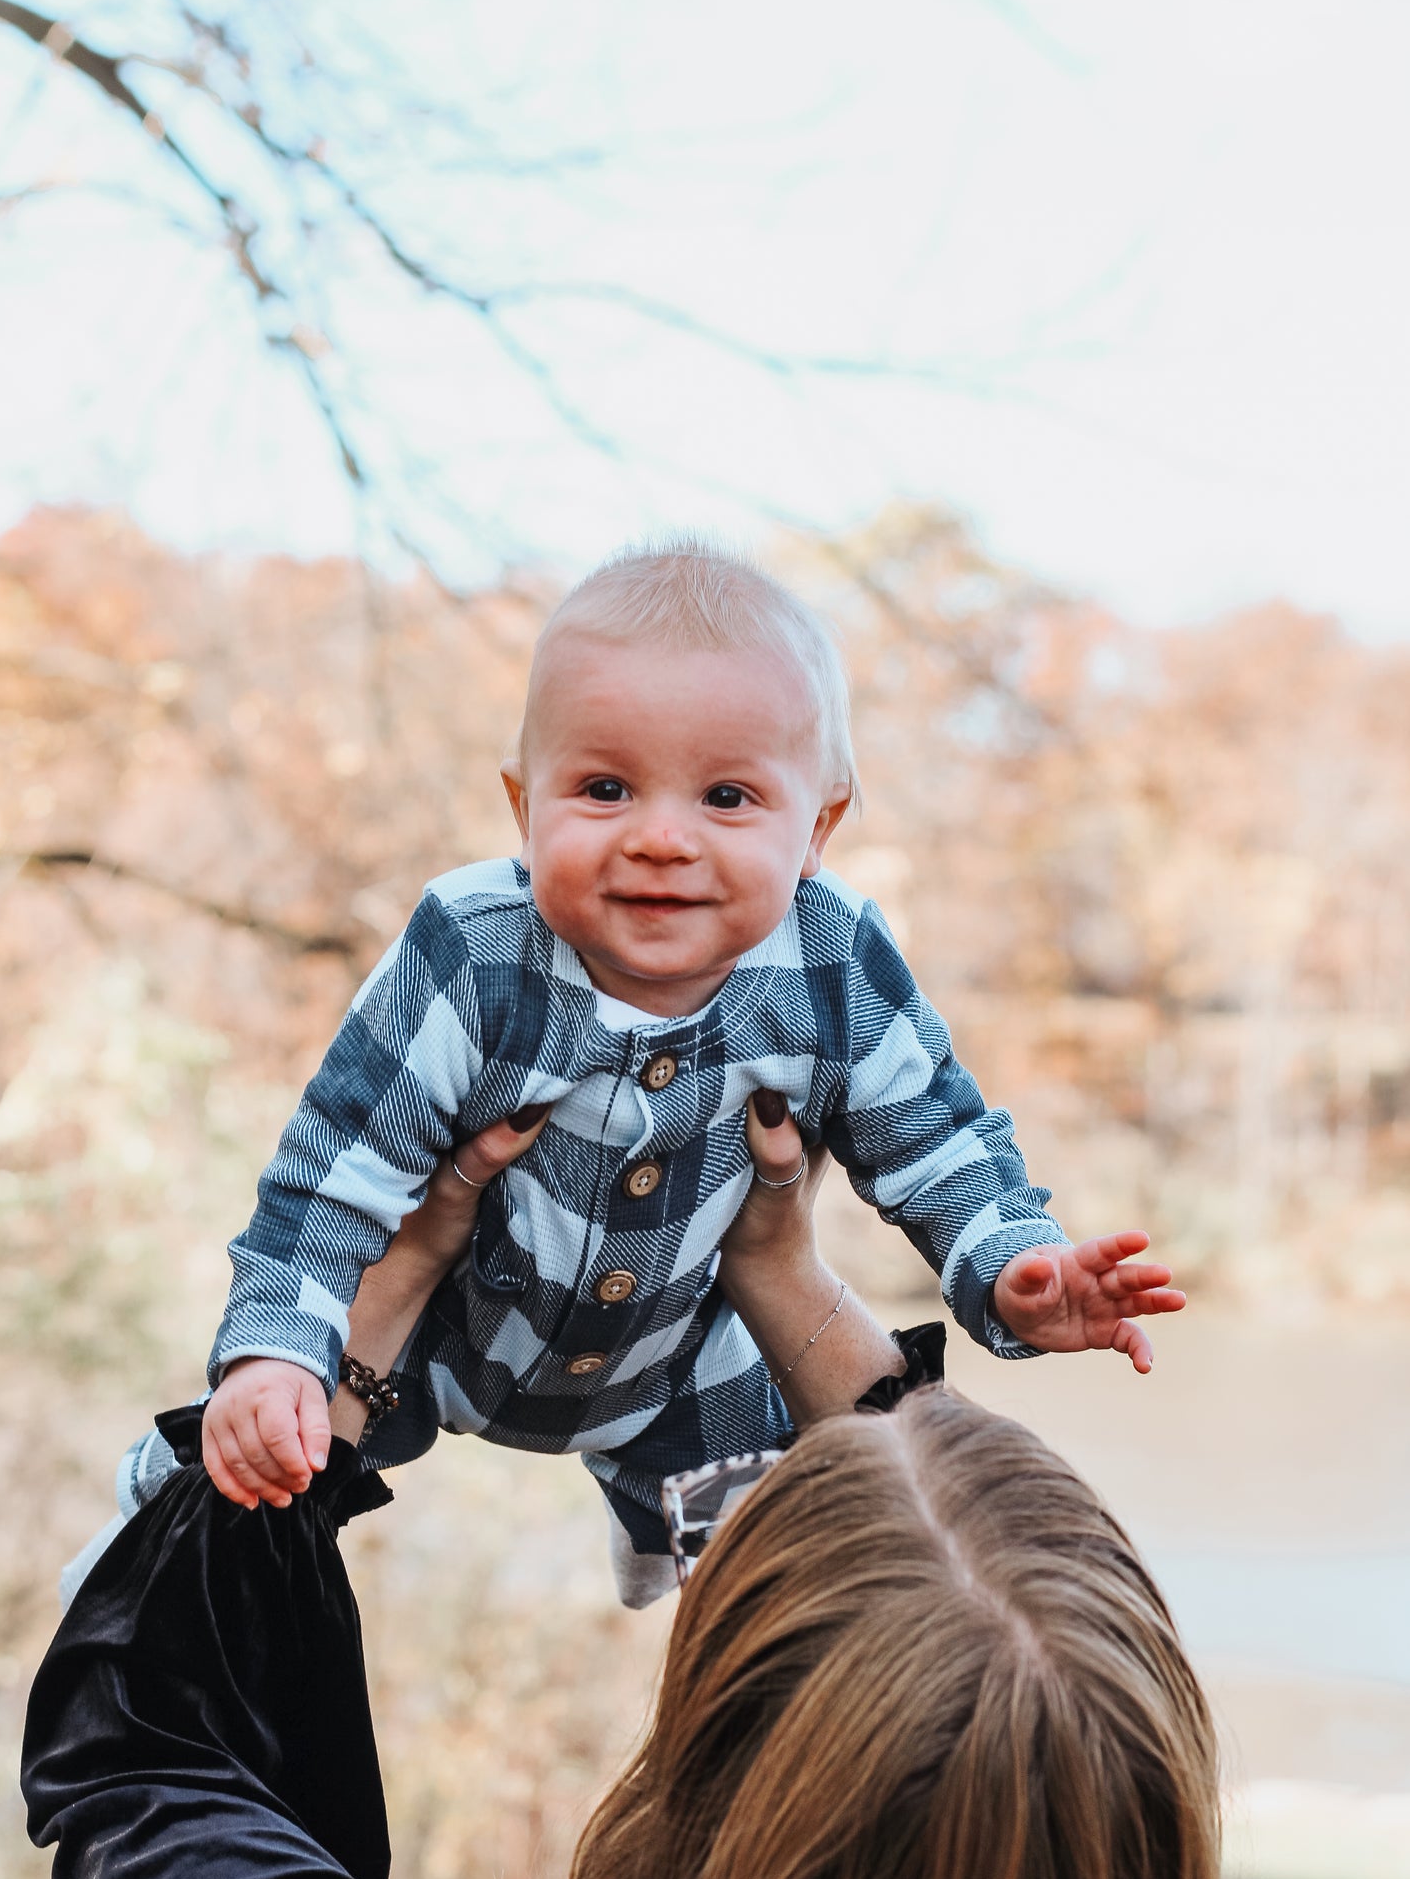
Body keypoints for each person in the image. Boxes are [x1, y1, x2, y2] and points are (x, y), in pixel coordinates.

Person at [24, 1109, 1331, 1879]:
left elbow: (152, 1757)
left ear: (726, 1770)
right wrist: (783, 1278)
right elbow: (1054, 1792)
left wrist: (385, 1286)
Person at [192, 537, 1184, 1600]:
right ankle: (167, 1534)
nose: (662, 838)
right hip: (442, 1326)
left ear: (818, 826)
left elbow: (934, 1137)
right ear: (524, 810)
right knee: (253, 1488)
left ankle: (680, 1555)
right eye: (605, 787)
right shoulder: (471, 949)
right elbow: (334, 1168)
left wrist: (1009, 1266)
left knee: (787, 1586)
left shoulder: (829, 956)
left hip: (678, 1365)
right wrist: (275, 1353)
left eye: (725, 798)